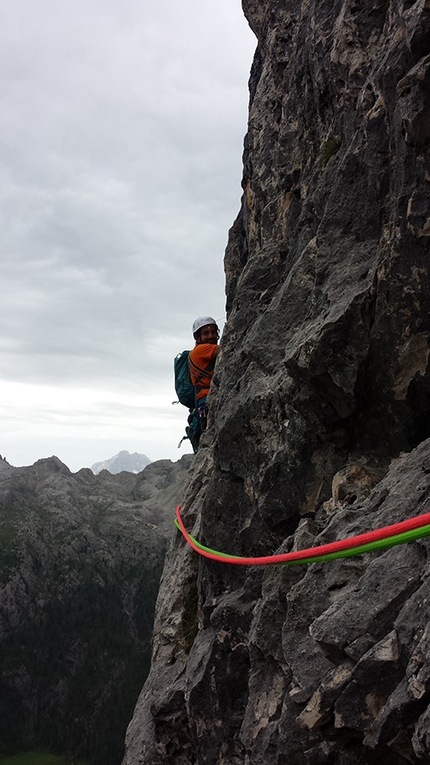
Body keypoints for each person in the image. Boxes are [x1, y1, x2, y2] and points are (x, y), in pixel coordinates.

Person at [188, 315, 220, 438]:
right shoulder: (201, 350)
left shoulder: (197, 351)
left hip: (203, 402)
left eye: (213, 332)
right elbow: (227, 349)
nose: (211, 336)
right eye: (206, 333)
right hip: (207, 401)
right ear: (197, 337)